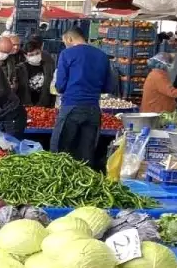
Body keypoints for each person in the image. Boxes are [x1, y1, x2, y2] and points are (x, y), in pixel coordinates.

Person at [52, 27, 112, 165]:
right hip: (93, 110)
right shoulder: (102, 56)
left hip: (72, 107)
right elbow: (108, 87)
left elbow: (60, 86)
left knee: (60, 151)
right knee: (86, 154)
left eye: (64, 41)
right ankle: (84, 183)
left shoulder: (67, 54)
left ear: (69, 39)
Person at [17, 37, 56, 107]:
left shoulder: (48, 66)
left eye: (37, 53)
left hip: (44, 105)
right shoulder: (20, 68)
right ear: (25, 56)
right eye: (31, 55)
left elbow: (52, 86)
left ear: (41, 51)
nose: (35, 56)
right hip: (26, 105)